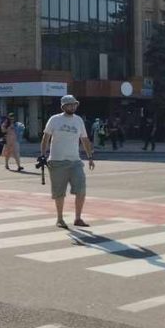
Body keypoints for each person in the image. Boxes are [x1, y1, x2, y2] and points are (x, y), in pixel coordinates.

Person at [40, 94, 95, 229]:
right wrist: (43, 155)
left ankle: (78, 218)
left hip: (75, 161)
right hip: (57, 162)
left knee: (81, 189)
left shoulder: (78, 120)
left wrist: (90, 157)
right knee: (59, 192)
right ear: (63, 106)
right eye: (70, 104)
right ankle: (60, 218)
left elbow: (84, 139)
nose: (73, 106)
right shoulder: (55, 119)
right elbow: (46, 138)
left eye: (74, 104)